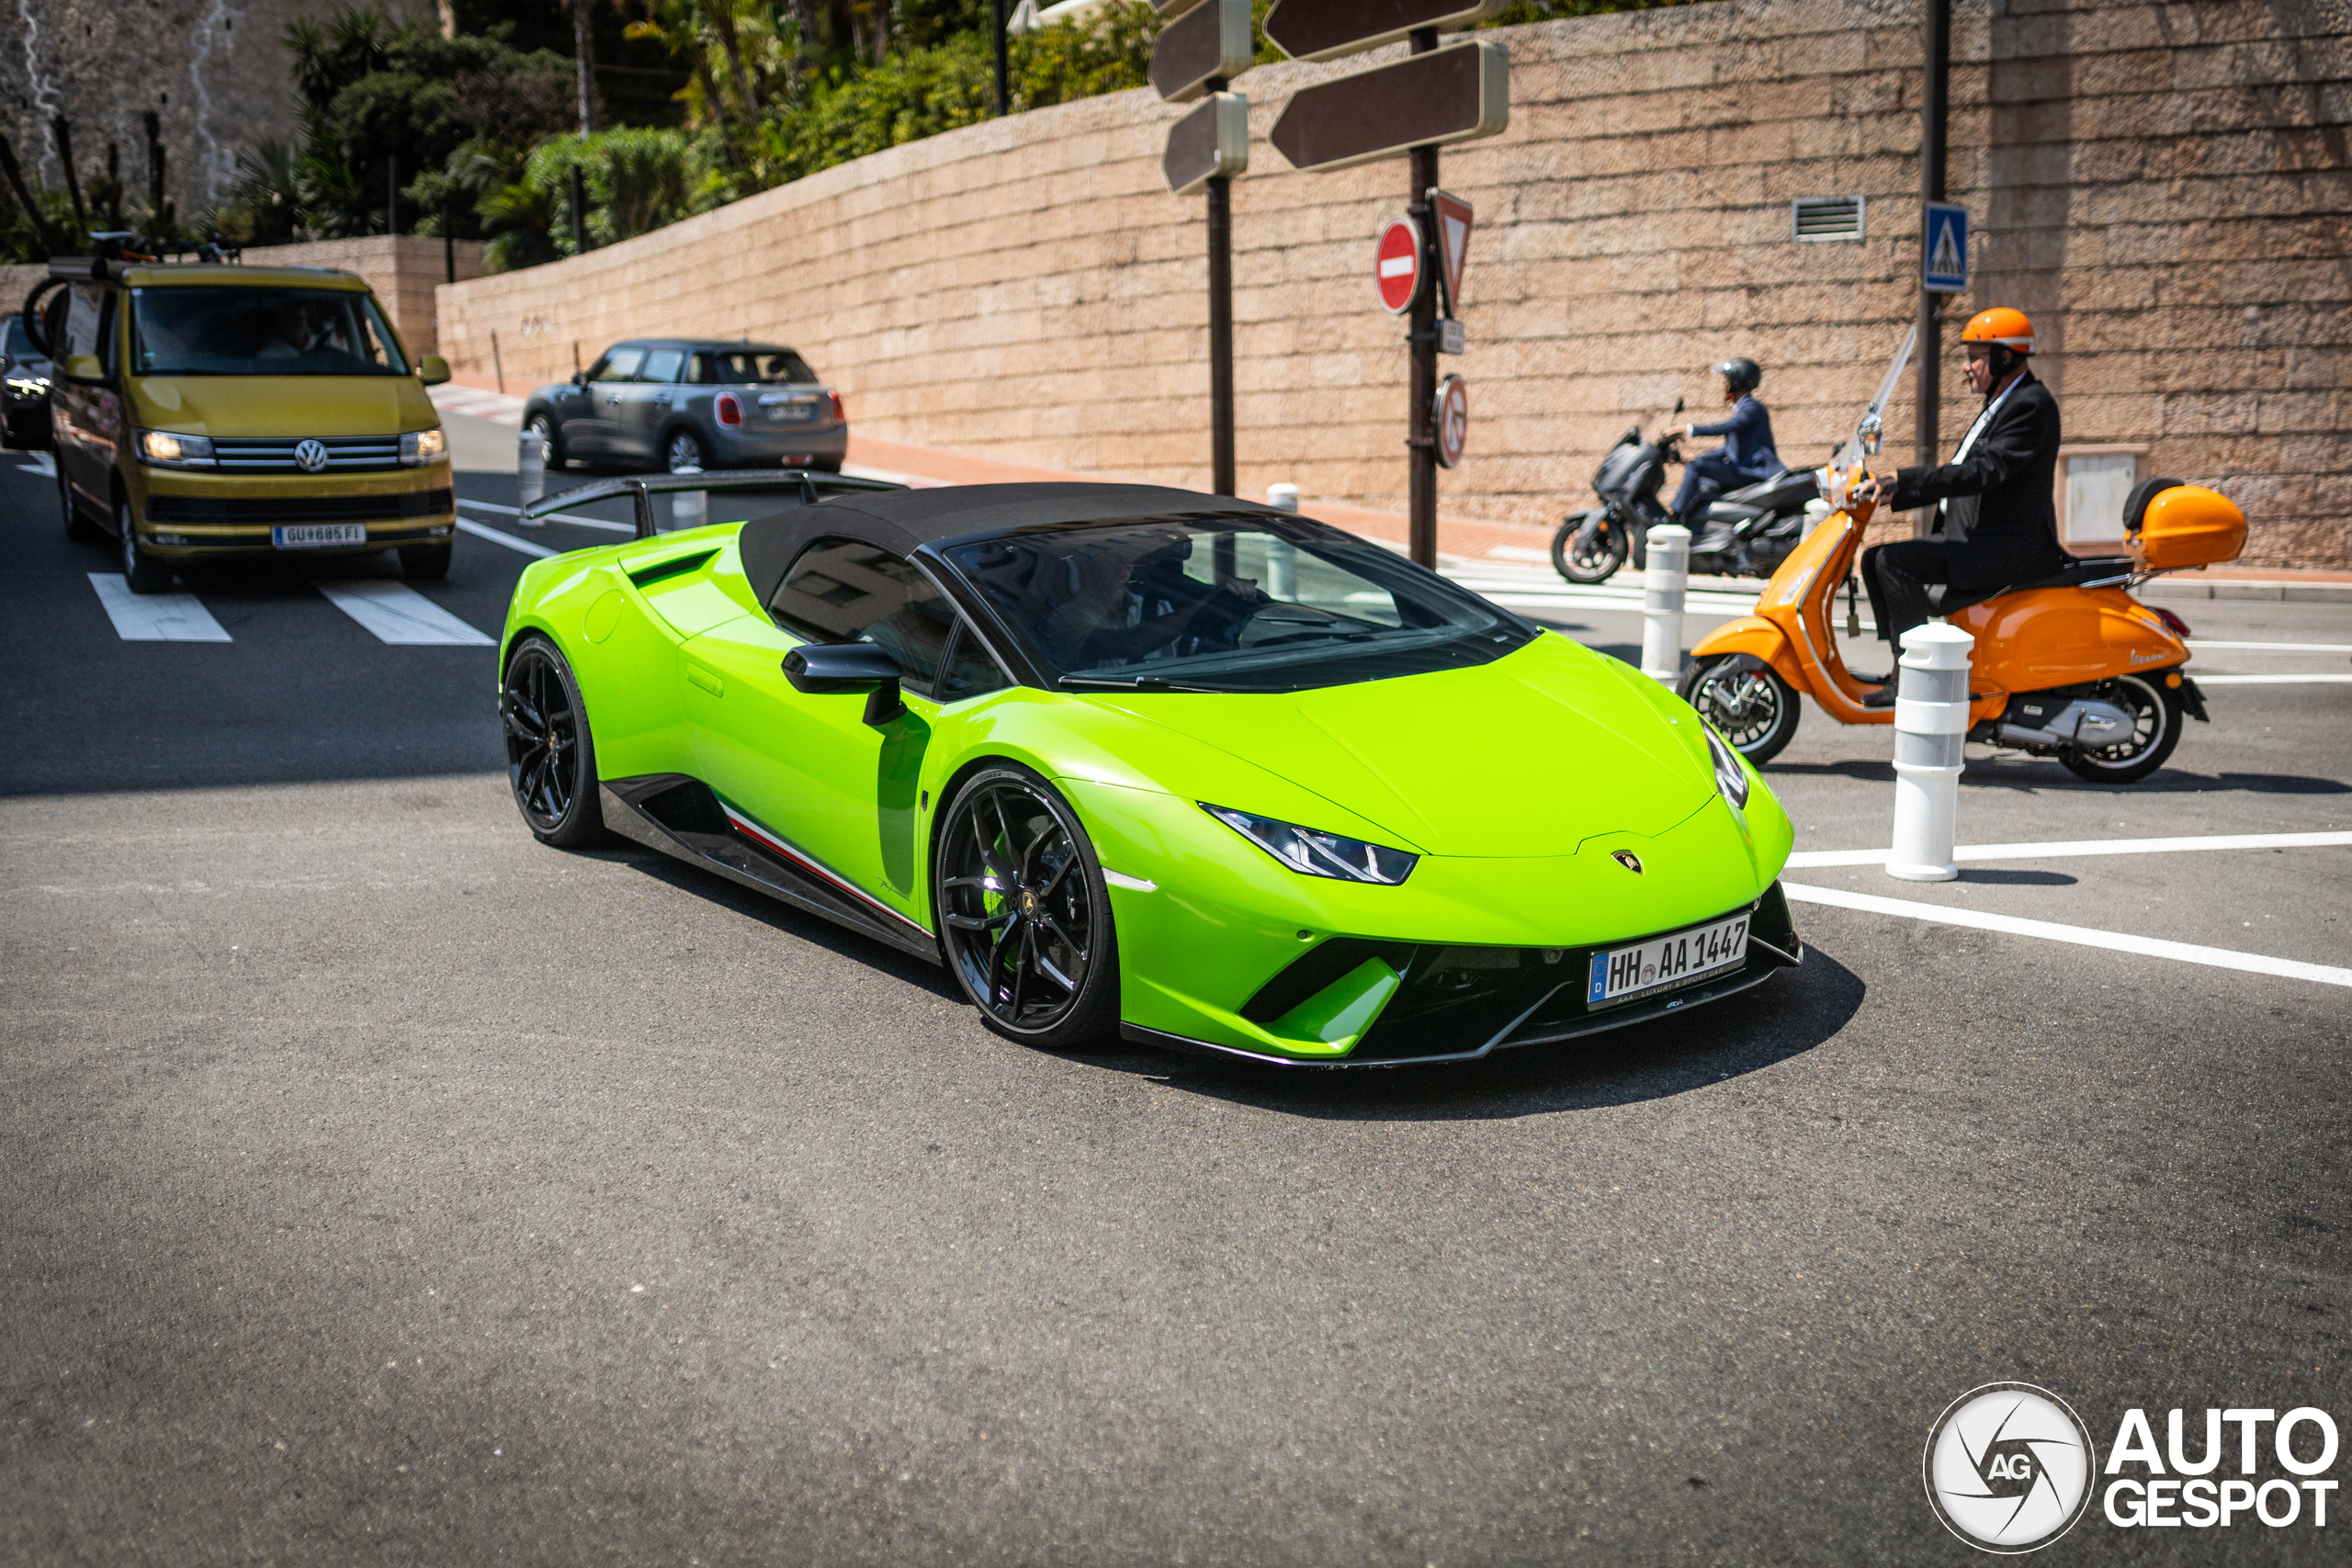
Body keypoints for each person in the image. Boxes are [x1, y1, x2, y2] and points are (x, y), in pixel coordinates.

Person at [1849, 308, 2066, 704]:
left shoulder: (2030, 406)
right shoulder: (2000, 404)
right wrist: (1895, 491)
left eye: (1974, 357)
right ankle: (1904, 666)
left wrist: (1905, 481)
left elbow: (1983, 473)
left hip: (2002, 548)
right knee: (1875, 558)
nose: (1966, 367)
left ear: (2004, 357)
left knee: (1891, 563)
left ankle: (1914, 676)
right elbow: (1962, 475)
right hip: (1974, 540)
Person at [1670, 357, 1780, 524]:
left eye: (1726, 381)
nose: (1724, 385)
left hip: (1751, 471)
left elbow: (1726, 427)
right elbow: (1728, 450)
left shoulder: (1752, 408)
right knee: (1702, 477)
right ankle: (1696, 523)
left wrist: (1687, 429)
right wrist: (1694, 458)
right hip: (1743, 468)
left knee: (1697, 468)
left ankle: (1674, 517)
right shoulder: (1744, 408)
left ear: (1736, 383)